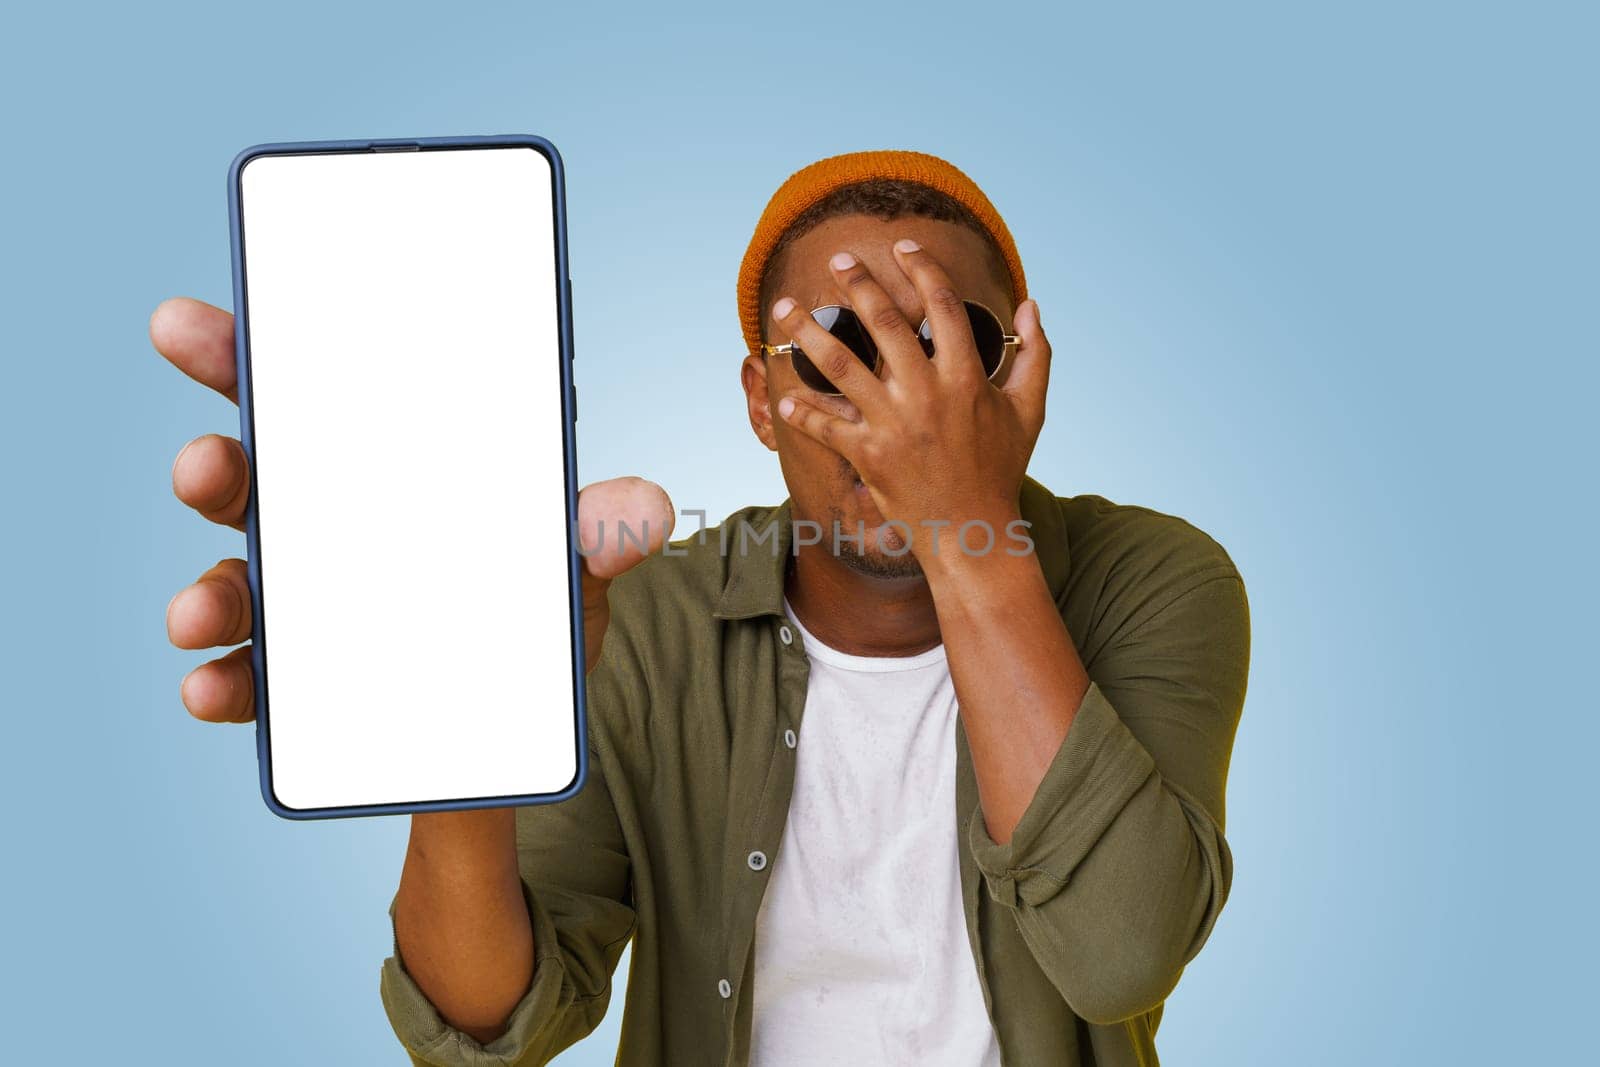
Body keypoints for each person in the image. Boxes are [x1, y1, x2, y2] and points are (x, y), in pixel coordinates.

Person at [154, 149, 1251, 1066]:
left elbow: (1120, 955)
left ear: (1015, 377)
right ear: (762, 404)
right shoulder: (648, 616)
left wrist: (965, 518)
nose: (895, 407)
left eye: (944, 343)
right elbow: (490, 1019)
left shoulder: (1151, 578)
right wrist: (464, 738)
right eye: (840, 351)